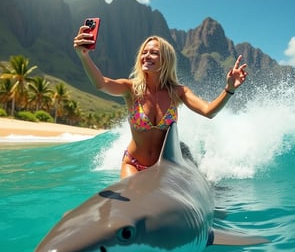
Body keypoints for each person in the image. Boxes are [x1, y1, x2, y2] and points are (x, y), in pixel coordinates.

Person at [73, 27, 247, 178]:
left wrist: (229, 88)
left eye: (154, 53)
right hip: (133, 163)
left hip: (164, 167)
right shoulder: (131, 89)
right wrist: (83, 56)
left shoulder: (178, 92)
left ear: (166, 60)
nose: (147, 56)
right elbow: (101, 84)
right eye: (144, 52)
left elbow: (209, 111)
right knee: (132, 200)